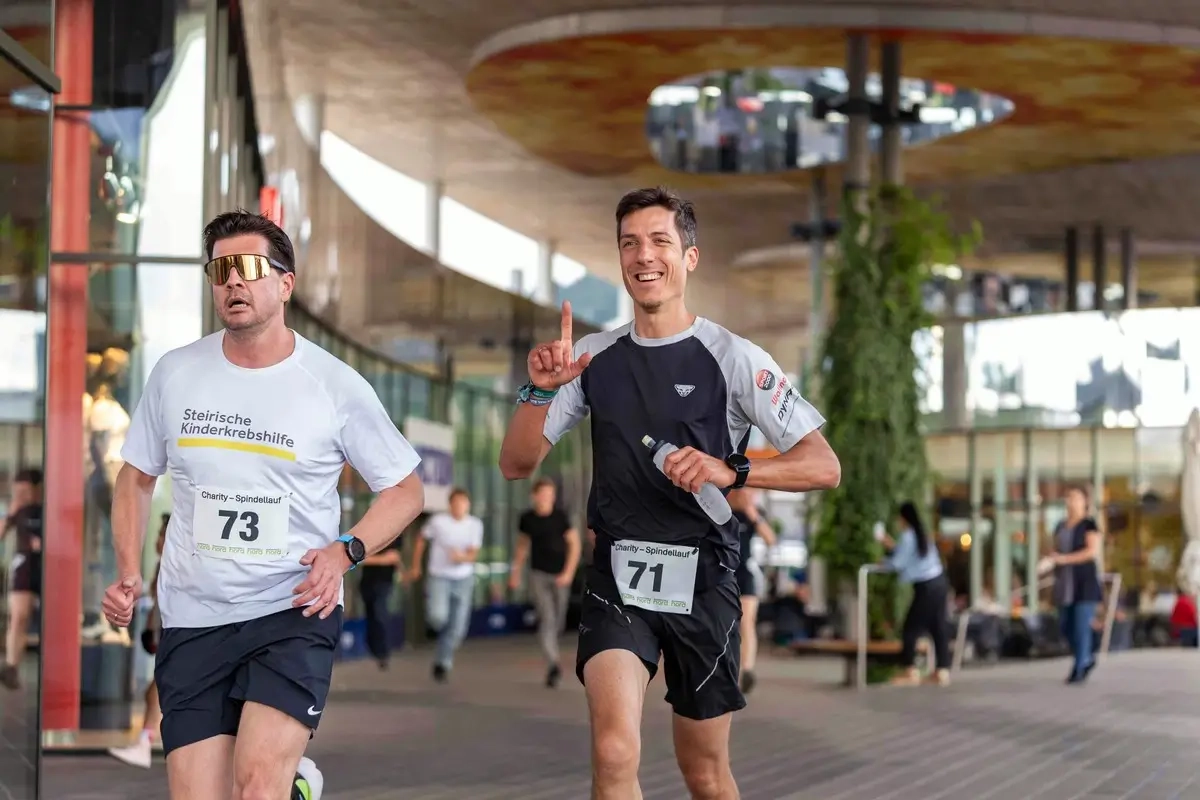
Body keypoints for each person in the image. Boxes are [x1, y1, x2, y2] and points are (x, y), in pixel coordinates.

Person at [498, 187, 840, 799]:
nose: (644, 255)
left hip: (705, 580)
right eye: (629, 243)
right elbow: (516, 464)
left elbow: (823, 465)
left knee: (704, 773)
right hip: (618, 579)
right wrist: (541, 391)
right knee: (613, 753)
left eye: (660, 241)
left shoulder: (735, 358)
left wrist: (731, 471)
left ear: (690, 257)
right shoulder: (591, 359)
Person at [100, 210, 425, 800]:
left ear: (285, 284)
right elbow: (136, 477)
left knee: (255, 785)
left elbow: (405, 490)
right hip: (193, 615)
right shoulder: (176, 373)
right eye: (220, 269)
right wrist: (128, 572)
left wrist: (344, 551)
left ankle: (282, 784)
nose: (233, 280)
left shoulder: (333, 384)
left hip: (291, 609)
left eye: (249, 267)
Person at [109, 513, 170, 767]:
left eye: (161, 535)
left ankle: (145, 741)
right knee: (154, 690)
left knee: (156, 690)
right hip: (163, 633)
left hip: (171, 634)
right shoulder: (163, 566)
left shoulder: (172, 567)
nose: (157, 541)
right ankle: (147, 740)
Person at [509, 477, 581, 687]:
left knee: (558, 621)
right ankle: (553, 664)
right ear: (534, 496)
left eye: (550, 494)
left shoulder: (561, 518)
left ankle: (552, 654)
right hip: (538, 575)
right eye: (542, 494)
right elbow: (522, 547)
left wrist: (568, 573)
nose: (546, 498)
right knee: (547, 619)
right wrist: (515, 573)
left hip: (560, 576)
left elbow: (574, 545)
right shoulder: (527, 519)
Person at [408, 488, 483, 682]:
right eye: (456, 503)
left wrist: (462, 558)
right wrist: (416, 565)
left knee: (457, 629)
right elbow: (421, 539)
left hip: (463, 578)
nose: (459, 507)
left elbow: (473, 553)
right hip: (439, 576)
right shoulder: (438, 522)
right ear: (450, 505)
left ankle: (443, 662)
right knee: (438, 616)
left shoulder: (475, 525)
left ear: (468, 505)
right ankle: (433, 628)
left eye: (463, 503)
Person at [878, 501, 951, 687]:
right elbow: (909, 556)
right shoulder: (922, 534)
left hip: (925, 586)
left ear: (903, 518)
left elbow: (898, 563)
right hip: (939, 582)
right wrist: (892, 547)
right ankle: (942, 670)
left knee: (911, 628)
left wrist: (883, 562)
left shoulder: (908, 535)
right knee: (937, 627)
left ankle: (910, 669)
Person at [1049, 485, 1103, 684]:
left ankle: (1079, 668)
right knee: (1065, 626)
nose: (1071, 502)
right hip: (1064, 583)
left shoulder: (1089, 524)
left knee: (1081, 626)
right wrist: (1053, 559)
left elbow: (1091, 551)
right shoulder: (1060, 525)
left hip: (1083, 583)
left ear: (1084, 502)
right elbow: (1056, 548)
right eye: (1068, 497)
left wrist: (1065, 559)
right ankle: (1087, 656)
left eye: (1076, 498)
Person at [727, 487, 775, 695]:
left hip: (745, 573)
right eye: (747, 491)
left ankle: (746, 669)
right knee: (724, 623)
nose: (751, 495)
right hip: (721, 571)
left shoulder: (754, 514)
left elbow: (770, 539)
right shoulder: (720, 508)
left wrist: (752, 514)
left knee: (747, 621)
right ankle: (726, 668)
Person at [1, 468, 42, 690]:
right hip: (24, 566)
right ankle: (11, 666)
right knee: (19, 617)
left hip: (48, 566)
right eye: (19, 492)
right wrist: (11, 513)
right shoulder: (18, 511)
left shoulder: (48, 509)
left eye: (26, 491)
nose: (23, 496)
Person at [357, 531, 406, 670]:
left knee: (380, 613)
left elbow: (395, 557)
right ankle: (374, 648)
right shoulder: (367, 533)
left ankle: (382, 652)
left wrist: (402, 572)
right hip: (367, 581)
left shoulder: (396, 534)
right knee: (371, 614)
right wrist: (383, 560)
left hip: (385, 581)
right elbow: (359, 558)